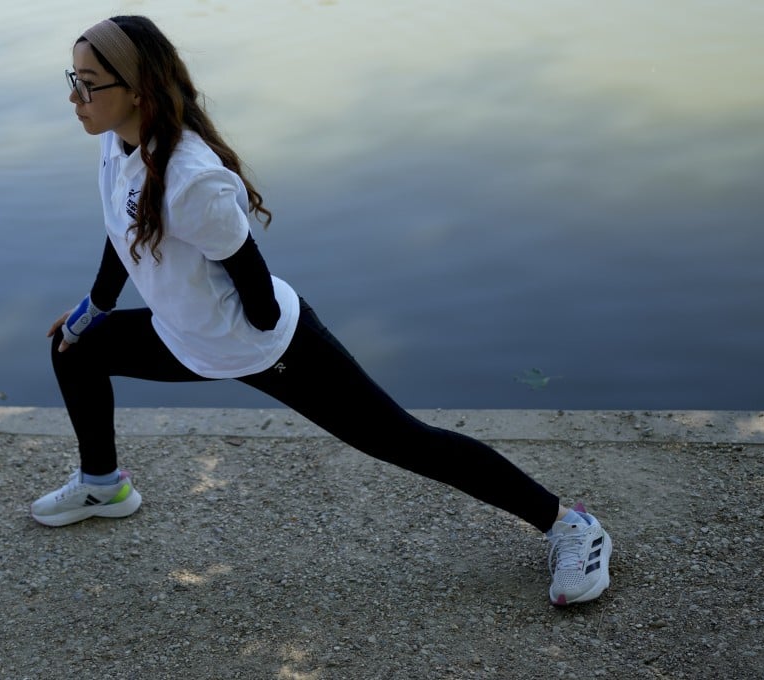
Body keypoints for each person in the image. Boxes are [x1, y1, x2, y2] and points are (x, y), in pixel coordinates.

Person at [32, 15, 612, 606]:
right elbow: (123, 227)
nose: (75, 98)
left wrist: (252, 341)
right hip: (185, 337)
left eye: (88, 85)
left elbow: (253, 281)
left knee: (403, 440)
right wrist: (93, 309)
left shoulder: (191, 179)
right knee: (73, 349)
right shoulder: (117, 142)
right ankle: (104, 486)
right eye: (73, 80)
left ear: (136, 90)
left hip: (265, 345)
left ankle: (571, 525)